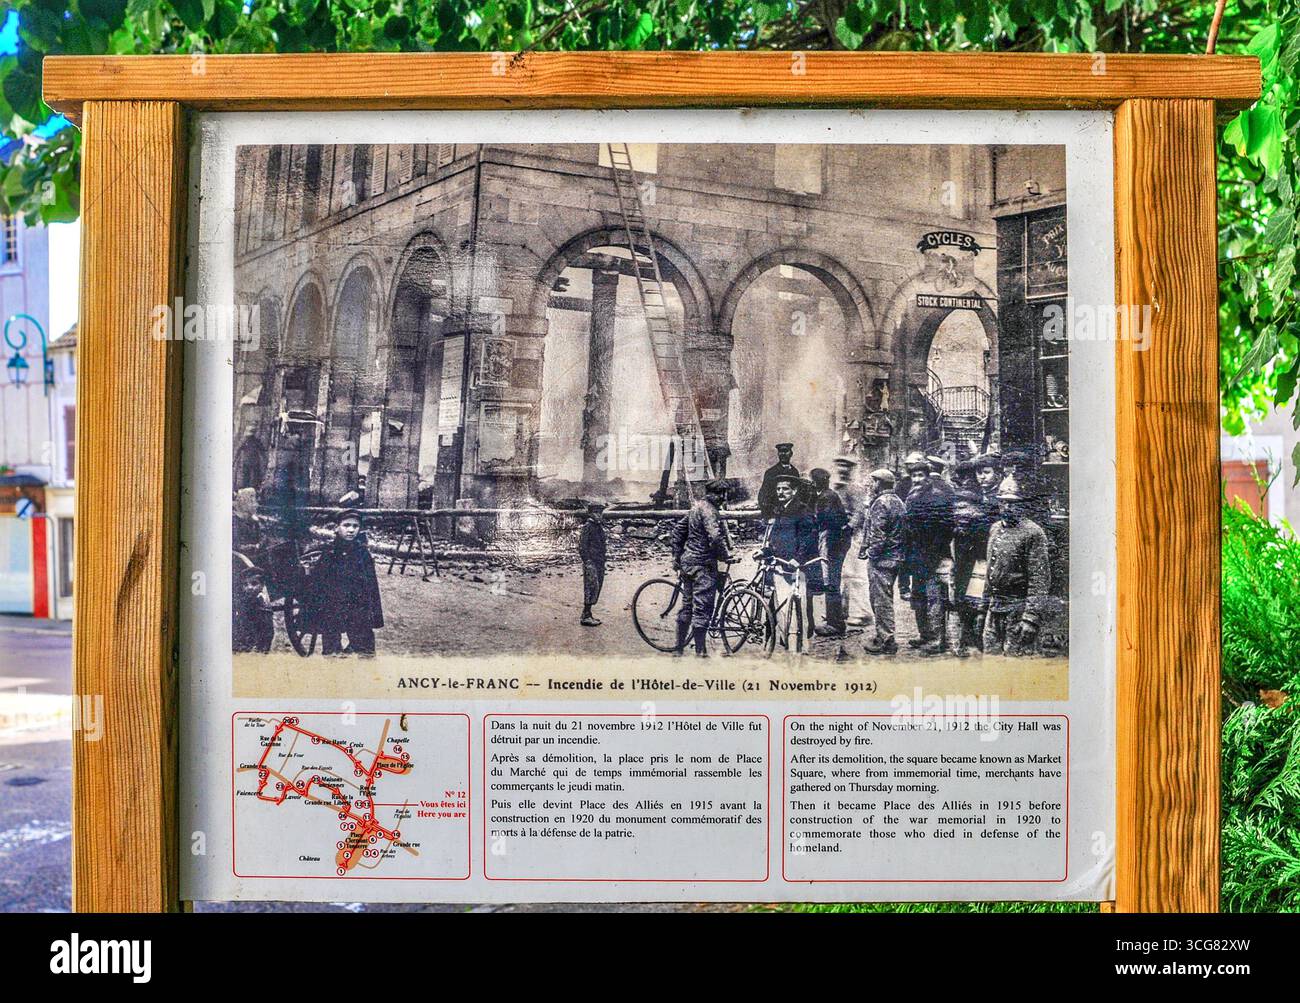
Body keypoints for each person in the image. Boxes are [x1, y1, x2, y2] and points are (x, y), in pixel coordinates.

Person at [983, 477, 1051, 656]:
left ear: (1022, 505)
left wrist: (1031, 618)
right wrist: (983, 608)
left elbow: (1039, 578)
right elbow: (990, 569)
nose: (1007, 507)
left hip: (1018, 610)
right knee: (991, 664)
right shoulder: (995, 528)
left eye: (1013, 503)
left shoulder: (1033, 533)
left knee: (1016, 668)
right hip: (995, 608)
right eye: (1003, 502)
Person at [305, 510, 385, 656]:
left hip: (357, 606)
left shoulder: (362, 553)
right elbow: (318, 583)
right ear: (337, 527)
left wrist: (370, 610)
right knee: (331, 647)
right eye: (346, 525)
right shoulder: (330, 552)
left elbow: (371, 586)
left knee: (365, 648)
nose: (351, 530)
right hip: (333, 606)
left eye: (355, 526)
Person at [671, 479, 733, 657]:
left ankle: (679, 649)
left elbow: (677, 532)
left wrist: (677, 556)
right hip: (703, 566)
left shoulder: (696, 507)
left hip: (688, 565)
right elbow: (714, 537)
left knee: (687, 607)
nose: (722, 498)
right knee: (703, 608)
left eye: (724, 494)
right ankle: (700, 651)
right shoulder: (710, 511)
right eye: (719, 494)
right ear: (710, 493)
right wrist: (725, 556)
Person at [902, 450, 954, 656]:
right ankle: (924, 635)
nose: (916, 479)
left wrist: (936, 552)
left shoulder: (937, 497)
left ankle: (938, 639)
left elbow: (946, 527)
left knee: (935, 599)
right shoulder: (912, 495)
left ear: (927, 476)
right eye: (914, 476)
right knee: (919, 598)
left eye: (920, 475)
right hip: (917, 555)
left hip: (933, 555)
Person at [950, 458, 997, 657]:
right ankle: (967, 639)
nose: (982, 477)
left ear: (997, 473)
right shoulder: (975, 495)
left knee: (981, 599)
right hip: (967, 554)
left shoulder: (997, 497)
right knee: (965, 597)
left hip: (984, 555)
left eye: (986, 472)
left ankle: (980, 641)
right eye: (979, 473)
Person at [765, 473, 817, 647]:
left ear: (794, 491)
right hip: (780, 563)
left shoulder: (802, 510)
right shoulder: (780, 509)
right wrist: (765, 551)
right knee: (780, 603)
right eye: (778, 489)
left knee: (798, 606)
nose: (780, 492)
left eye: (785, 489)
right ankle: (786, 639)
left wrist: (798, 558)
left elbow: (808, 537)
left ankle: (799, 644)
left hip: (795, 566)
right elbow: (776, 538)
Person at [861, 468, 906, 655]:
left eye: (873, 482)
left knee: (881, 601)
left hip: (882, 560)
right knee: (885, 598)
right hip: (895, 558)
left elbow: (878, 536)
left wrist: (870, 553)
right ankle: (884, 636)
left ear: (879, 483)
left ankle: (886, 640)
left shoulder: (881, 503)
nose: (871, 485)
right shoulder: (898, 502)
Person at [808, 468, 851, 637]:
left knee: (832, 582)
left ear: (816, 482)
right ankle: (835, 619)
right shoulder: (828, 494)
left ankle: (835, 624)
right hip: (837, 541)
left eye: (812, 480)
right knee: (833, 581)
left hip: (833, 542)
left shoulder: (826, 497)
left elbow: (821, 519)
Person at [834, 457, 872, 627]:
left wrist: (848, 527)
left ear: (850, 470)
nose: (842, 470)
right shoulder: (838, 487)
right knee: (844, 574)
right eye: (839, 467)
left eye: (845, 468)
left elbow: (859, 514)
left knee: (855, 575)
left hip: (853, 536)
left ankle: (863, 613)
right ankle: (843, 610)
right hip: (841, 537)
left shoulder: (855, 488)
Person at [578, 501, 607, 627]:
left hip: (599, 561)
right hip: (591, 561)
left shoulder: (598, 526)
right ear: (591, 513)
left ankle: (588, 613)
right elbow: (582, 546)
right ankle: (586, 615)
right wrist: (587, 561)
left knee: (597, 586)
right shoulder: (588, 526)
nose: (599, 515)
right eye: (596, 512)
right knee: (591, 586)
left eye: (600, 512)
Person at [757, 442, 800, 519]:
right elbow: (762, 495)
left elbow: (797, 493)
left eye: (786, 451)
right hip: (775, 513)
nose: (783, 454)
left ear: (791, 453)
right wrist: (769, 512)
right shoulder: (771, 472)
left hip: (791, 512)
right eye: (780, 452)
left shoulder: (795, 472)